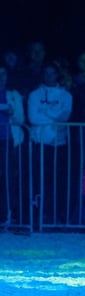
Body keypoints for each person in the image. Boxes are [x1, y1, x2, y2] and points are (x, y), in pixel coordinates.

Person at [27, 62, 73, 225]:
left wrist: (45, 113)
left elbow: (65, 117)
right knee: (40, 181)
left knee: (58, 182)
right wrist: (53, 116)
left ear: (57, 74)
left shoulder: (66, 95)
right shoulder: (34, 95)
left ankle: (56, 215)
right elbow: (33, 118)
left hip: (59, 144)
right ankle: (40, 216)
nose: (49, 76)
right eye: (46, 73)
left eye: (52, 73)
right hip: (39, 143)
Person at [0, 65, 26, 227]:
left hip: (8, 140)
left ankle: (6, 216)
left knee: (8, 178)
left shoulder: (13, 95)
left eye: (3, 74)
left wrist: (11, 112)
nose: (1, 77)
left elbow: (21, 119)